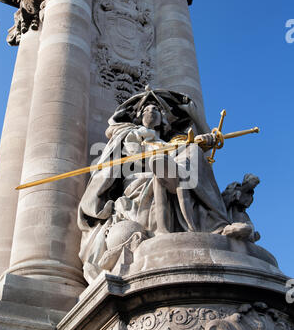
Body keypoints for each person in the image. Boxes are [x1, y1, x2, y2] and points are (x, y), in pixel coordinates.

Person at [77, 88, 234, 281]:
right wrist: (167, 149)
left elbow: (197, 158)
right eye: (145, 111)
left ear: (163, 119)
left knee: (192, 153)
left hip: (171, 173)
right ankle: (164, 224)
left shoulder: (175, 140)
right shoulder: (131, 135)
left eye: (155, 110)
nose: (150, 112)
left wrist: (202, 137)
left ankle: (219, 225)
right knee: (163, 162)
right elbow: (135, 155)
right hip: (140, 181)